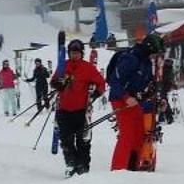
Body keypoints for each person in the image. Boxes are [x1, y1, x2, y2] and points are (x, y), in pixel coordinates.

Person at [105, 35, 162, 171]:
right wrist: (126, 97)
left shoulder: (146, 62)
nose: (155, 57)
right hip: (120, 98)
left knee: (139, 134)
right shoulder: (130, 58)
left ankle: (132, 168)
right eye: (155, 53)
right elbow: (115, 80)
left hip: (134, 101)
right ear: (149, 48)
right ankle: (118, 169)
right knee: (127, 134)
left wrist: (151, 94)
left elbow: (143, 85)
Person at [51, 38, 106, 175]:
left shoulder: (88, 67)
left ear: (82, 53)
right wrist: (59, 84)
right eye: (72, 52)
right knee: (66, 141)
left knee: (83, 141)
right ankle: (71, 164)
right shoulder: (63, 65)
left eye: (77, 52)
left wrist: (95, 95)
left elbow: (101, 83)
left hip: (81, 111)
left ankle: (83, 166)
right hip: (64, 110)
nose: (74, 55)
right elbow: (53, 82)